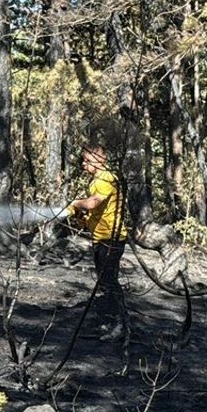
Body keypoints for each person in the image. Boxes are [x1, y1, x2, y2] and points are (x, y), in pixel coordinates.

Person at [67, 144, 130, 340]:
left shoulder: (106, 179)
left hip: (111, 239)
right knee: (104, 282)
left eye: (87, 160)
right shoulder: (96, 180)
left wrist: (75, 203)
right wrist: (82, 218)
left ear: (100, 160)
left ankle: (121, 326)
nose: (83, 164)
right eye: (83, 160)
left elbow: (92, 202)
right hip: (100, 238)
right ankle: (110, 322)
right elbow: (96, 212)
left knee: (109, 282)